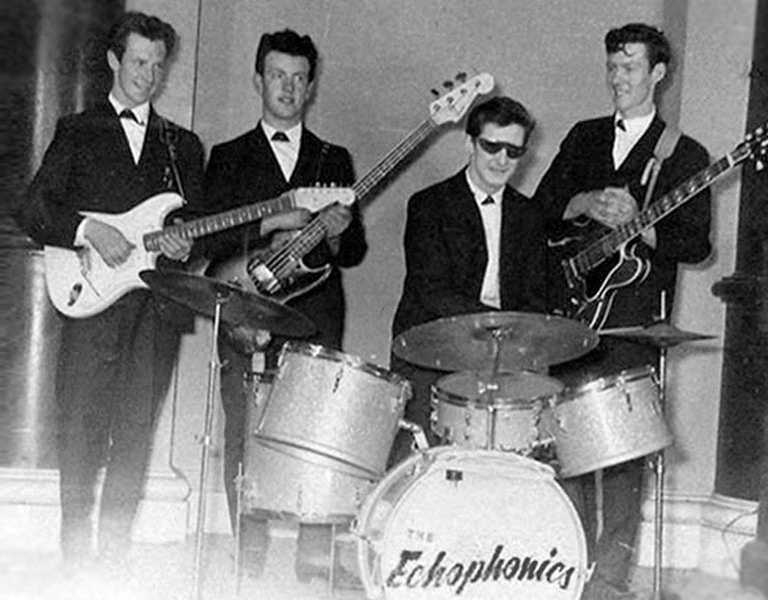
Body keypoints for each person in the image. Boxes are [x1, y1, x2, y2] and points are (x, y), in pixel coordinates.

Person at [12, 12, 206, 572]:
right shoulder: (79, 129)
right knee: (81, 433)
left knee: (135, 436)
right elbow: (32, 208)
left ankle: (115, 560)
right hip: (90, 301)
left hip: (156, 310)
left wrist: (185, 246)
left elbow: (197, 230)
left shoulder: (183, 145)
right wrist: (87, 229)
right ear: (114, 61)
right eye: (138, 62)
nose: (148, 75)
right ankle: (75, 559)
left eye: (158, 65)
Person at [533, 23, 712, 599]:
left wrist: (644, 224)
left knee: (624, 460)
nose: (617, 78)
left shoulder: (685, 154)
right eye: (612, 66)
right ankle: (567, 570)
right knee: (564, 452)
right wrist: (584, 201)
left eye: (630, 67)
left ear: (658, 74)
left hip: (632, 325)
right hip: (571, 320)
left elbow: (697, 245)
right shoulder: (583, 137)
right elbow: (539, 210)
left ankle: (608, 584)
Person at [201, 28, 366, 586]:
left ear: (311, 86)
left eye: (299, 78)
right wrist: (272, 222)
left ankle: (313, 559)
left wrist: (338, 232)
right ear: (259, 80)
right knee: (243, 432)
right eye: (278, 76)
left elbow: (356, 252)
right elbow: (208, 242)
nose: (288, 88)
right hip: (246, 305)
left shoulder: (333, 158)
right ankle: (246, 558)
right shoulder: (227, 157)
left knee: (315, 437)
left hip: (316, 313)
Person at [389, 95, 549, 466]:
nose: (502, 159)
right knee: (426, 468)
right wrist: (494, 328)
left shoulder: (529, 216)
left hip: (501, 360)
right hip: (431, 354)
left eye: (513, 151)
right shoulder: (429, 205)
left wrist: (512, 345)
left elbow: (534, 297)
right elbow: (431, 290)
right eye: (492, 146)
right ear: (469, 144)